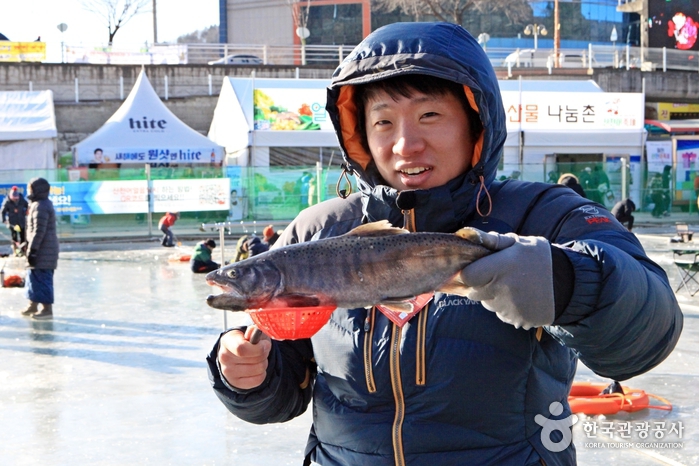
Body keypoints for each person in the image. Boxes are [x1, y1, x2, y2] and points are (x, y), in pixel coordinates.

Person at [206, 22, 683, 465]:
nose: (405, 144)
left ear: (477, 122)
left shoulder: (546, 214)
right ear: (360, 135)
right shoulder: (316, 230)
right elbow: (290, 382)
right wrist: (248, 376)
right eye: (383, 122)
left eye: (430, 115)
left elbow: (650, 330)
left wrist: (567, 282)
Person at [21, 177, 59, 320]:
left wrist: (33, 250)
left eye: (30, 188)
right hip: (40, 248)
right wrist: (28, 245)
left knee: (42, 278)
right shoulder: (37, 204)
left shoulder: (41, 206)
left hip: (44, 251)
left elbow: (39, 231)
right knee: (33, 277)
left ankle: (46, 309)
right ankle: (33, 304)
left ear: (38, 190)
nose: (28, 191)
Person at [1, 186, 29, 256]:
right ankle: (16, 251)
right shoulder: (7, 202)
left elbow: (28, 206)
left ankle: (23, 250)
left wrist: (26, 212)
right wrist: (3, 220)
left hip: (21, 221)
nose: (15, 200)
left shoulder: (22, 200)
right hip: (12, 223)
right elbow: (3, 212)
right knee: (14, 237)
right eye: (13, 198)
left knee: (23, 236)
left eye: (16, 198)